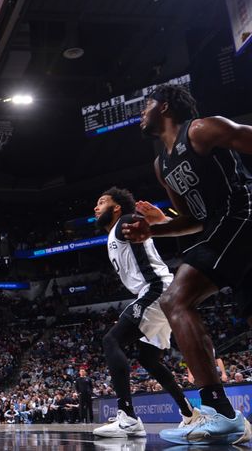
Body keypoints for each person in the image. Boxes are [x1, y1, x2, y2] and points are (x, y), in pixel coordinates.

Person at [122, 84, 252, 444]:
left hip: (242, 216)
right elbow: (192, 219)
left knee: (176, 299)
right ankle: (223, 418)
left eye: (146, 104)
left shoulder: (201, 129)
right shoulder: (161, 163)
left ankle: (220, 414)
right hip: (219, 226)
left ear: (164, 106)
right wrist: (153, 229)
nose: (141, 112)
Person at [92, 187, 197, 438]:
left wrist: (160, 220)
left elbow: (144, 223)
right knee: (149, 359)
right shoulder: (114, 233)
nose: (96, 208)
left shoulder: (125, 221)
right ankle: (189, 414)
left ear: (116, 207)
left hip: (156, 290)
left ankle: (127, 417)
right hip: (160, 294)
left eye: (101, 202)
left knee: (111, 340)